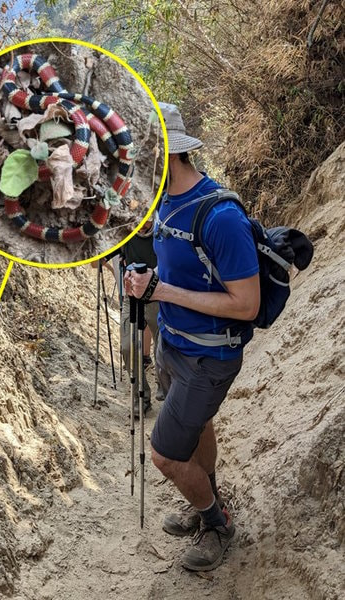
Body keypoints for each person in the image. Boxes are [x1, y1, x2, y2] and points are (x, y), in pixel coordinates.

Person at [126, 104, 260, 571]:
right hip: (173, 345)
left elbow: (247, 304)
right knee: (197, 427)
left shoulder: (221, 216)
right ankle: (208, 499)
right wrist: (149, 279)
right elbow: (182, 269)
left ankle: (217, 523)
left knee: (163, 455)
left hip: (209, 357)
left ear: (168, 156)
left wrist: (163, 290)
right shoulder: (163, 204)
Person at [100, 213, 163, 416]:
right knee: (128, 347)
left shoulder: (162, 233)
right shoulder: (124, 235)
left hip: (159, 297)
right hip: (132, 299)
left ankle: (168, 387)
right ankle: (140, 397)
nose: (142, 222)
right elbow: (95, 261)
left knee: (164, 347)